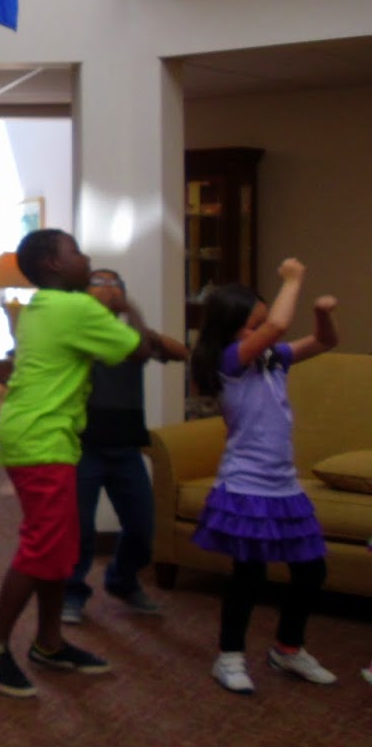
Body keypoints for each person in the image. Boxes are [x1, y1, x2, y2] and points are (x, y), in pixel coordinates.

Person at [0, 229, 152, 699]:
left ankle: (49, 643)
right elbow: (138, 350)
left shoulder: (40, 307)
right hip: (42, 439)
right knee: (42, 547)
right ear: (53, 264)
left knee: (60, 546)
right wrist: (124, 306)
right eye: (75, 251)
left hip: (42, 434)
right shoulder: (76, 308)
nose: (85, 257)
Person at [191, 260, 339, 694]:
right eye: (252, 326)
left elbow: (325, 342)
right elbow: (277, 325)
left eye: (260, 325)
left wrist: (322, 314)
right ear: (231, 328)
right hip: (245, 486)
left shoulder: (274, 361)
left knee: (311, 571)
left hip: (284, 486)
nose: (262, 333)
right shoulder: (229, 361)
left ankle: (288, 648)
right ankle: (229, 656)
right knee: (248, 574)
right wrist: (293, 280)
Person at [61, 269, 188, 625]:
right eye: (98, 284)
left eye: (114, 285)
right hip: (83, 447)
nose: (107, 290)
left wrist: (132, 312)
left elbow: (182, 353)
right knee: (80, 528)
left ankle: (122, 579)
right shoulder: (76, 334)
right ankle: (72, 593)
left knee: (142, 525)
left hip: (126, 449)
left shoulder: (134, 337)